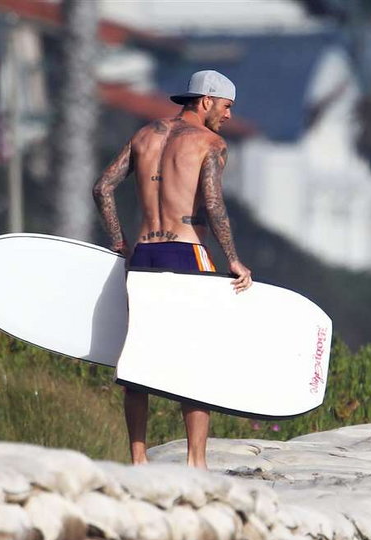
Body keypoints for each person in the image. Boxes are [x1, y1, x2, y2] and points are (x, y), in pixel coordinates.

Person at [92, 70, 252, 469]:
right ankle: (196, 462)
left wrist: (118, 243)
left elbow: (103, 187)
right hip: (186, 253)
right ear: (206, 101)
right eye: (227, 107)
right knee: (196, 355)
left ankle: (138, 458)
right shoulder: (210, 143)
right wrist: (231, 257)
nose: (229, 116)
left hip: (143, 255)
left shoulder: (144, 135)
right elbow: (213, 204)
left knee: (137, 354)